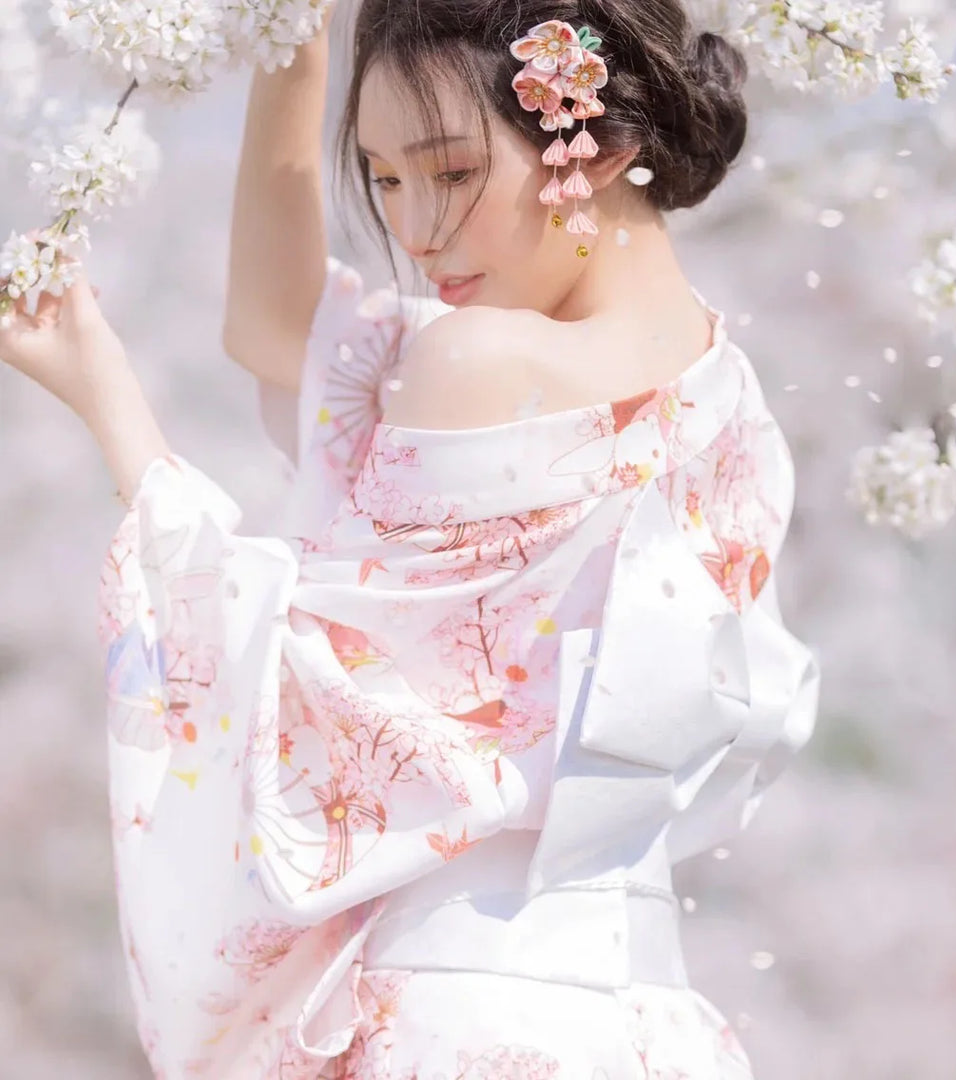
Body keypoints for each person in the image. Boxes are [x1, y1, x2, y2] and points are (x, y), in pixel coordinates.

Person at [0, 0, 821, 1076]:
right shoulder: (739, 413)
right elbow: (282, 333)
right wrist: (292, 58)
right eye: (385, 180)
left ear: (600, 141)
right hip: (648, 1021)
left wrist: (113, 409)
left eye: (451, 172)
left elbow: (296, 699)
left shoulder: (480, 363)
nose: (417, 230)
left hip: (456, 1013)